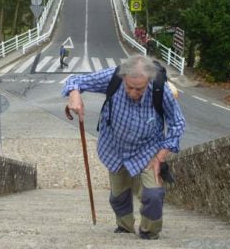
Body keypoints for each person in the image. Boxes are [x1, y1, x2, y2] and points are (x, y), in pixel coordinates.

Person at [62, 55, 185, 240]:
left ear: (149, 81)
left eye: (139, 89)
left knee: (153, 194)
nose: (133, 92)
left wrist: (161, 156)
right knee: (119, 195)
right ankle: (124, 227)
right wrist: (74, 94)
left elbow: (177, 123)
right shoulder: (114, 77)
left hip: (148, 150)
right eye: (129, 87)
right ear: (124, 78)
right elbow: (74, 80)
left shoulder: (160, 90)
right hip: (114, 148)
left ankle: (149, 232)